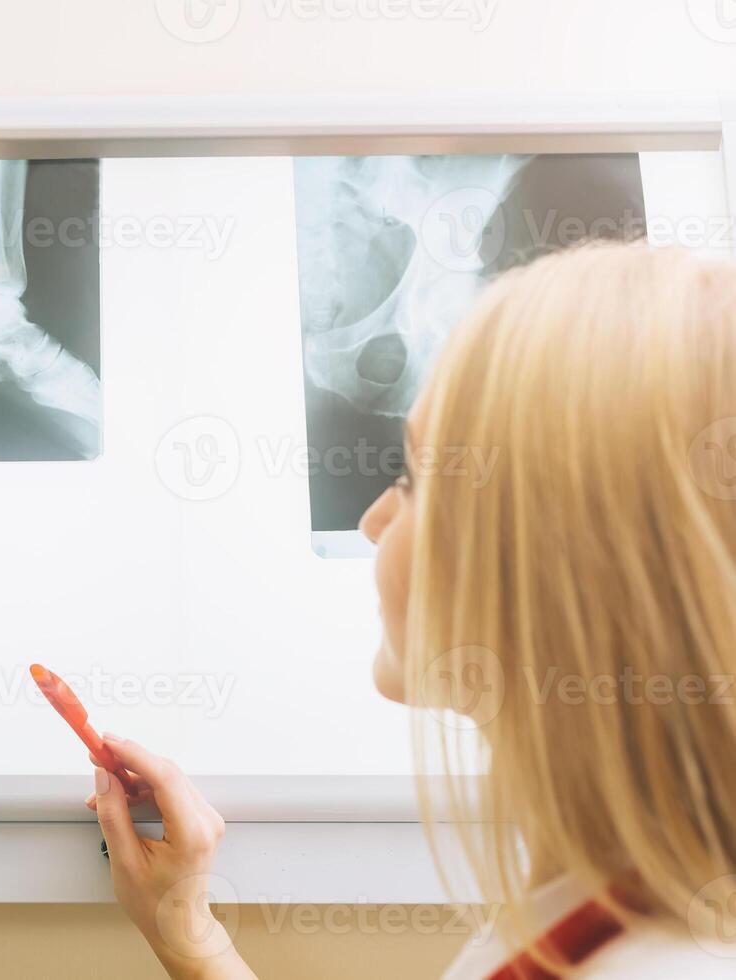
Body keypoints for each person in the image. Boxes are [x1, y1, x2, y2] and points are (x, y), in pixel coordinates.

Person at [91, 243, 736, 978]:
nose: (372, 521)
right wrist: (187, 932)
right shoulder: (613, 909)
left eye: (413, 478)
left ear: (561, 553)